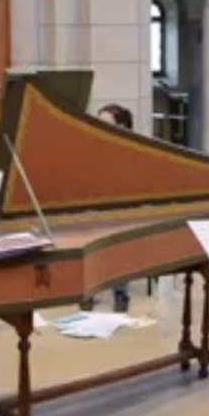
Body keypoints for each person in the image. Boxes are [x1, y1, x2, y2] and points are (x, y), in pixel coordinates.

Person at [81, 103, 135, 313]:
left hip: (122, 210)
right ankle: (88, 291)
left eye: (104, 123)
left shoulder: (130, 152)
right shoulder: (91, 150)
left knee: (118, 239)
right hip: (95, 207)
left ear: (120, 127)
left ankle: (120, 293)